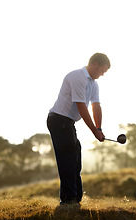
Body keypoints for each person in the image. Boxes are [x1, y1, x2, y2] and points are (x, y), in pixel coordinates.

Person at [47, 53, 110, 205]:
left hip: (68, 123)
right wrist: (94, 131)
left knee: (75, 157)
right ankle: (69, 200)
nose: (102, 75)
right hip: (58, 120)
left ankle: (76, 198)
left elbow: (96, 106)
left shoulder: (94, 84)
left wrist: (99, 128)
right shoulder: (77, 77)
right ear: (95, 64)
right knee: (68, 158)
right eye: (102, 71)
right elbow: (81, 107)